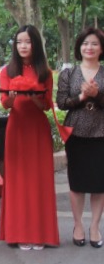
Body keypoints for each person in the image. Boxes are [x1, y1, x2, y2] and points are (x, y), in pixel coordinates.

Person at [0, 25, 59, 250]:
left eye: (28, 42)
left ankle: (40, 233)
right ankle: (19, 232)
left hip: (38, 130)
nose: (23, 46)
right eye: (19, 42)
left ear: (35, 44)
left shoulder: (45, 72)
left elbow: (46, 105)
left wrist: (34, 97)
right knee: (18, 180)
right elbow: (5, 104)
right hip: (17, 129)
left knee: (39, 181)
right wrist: (13, 97)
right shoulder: (8, 71)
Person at [57, 27, 104, 249]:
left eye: (94, 43)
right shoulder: (69, 73)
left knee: (99, 183)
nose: (89, 47)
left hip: (101, 133)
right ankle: (78, 225)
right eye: (85, 44)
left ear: (101, 48)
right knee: (77, 183)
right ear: (79, 48)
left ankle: (95, 226)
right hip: (75, 133)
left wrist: (98, 95)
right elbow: (62, 102)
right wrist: (83, 96)